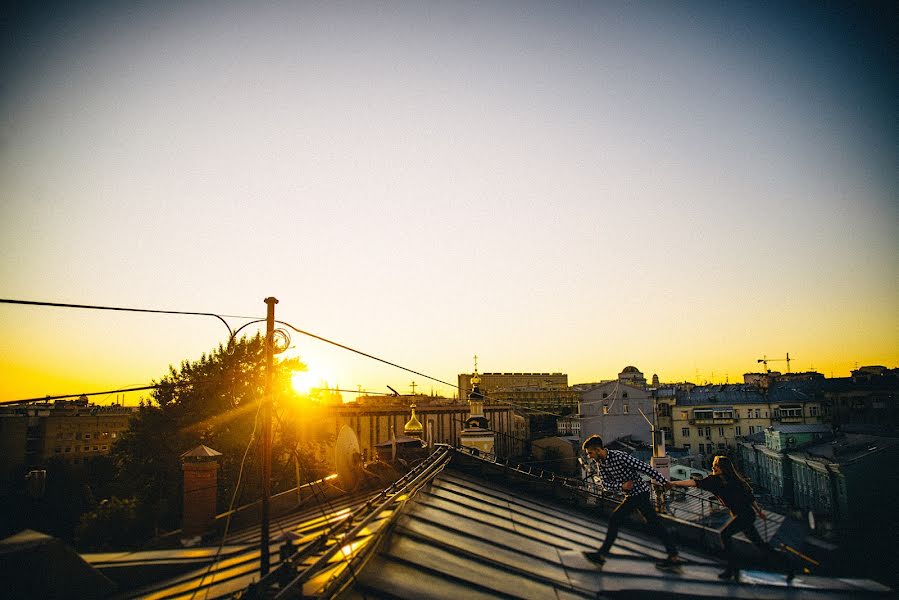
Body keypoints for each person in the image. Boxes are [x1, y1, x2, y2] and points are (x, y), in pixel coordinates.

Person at [666, 455, 783, 580]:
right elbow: (749, 497)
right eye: (714, 465)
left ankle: (732, 568)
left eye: (716, 465)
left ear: (723, 468)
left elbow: (694, 483)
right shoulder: (732, 479)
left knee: (725, 535)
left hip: (743, 515)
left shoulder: (717, 480)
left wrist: (672, 483)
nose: (713, 467)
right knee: (759, 543)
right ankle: (786, 564)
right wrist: (759, 512)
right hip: (747, 514)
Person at [581, 434, 682, 570]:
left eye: (590, 453)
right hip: (631, 496)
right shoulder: (601, 464)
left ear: (598, 449)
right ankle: (673, 556)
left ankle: (601, 556)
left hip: (640, 493)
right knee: (654, 524)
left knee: (615, 520)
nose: (589, 456)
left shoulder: (620, 457)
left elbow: (645, 468)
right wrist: (621, 487)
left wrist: (664, 482)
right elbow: (605, 484)